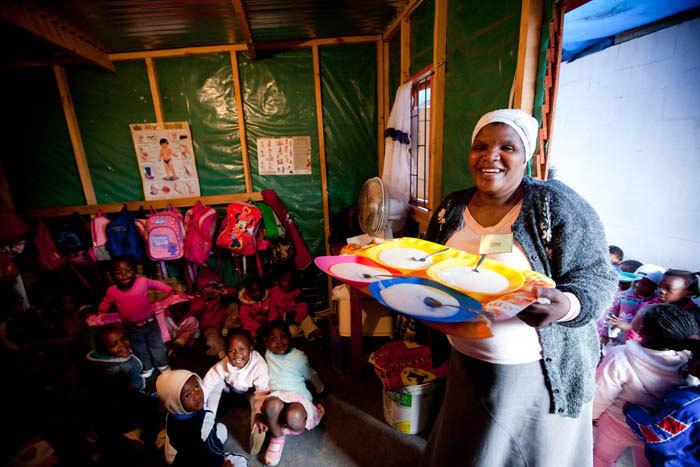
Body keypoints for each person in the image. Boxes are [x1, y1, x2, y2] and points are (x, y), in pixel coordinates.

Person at [420, 109, 618, 467]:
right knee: (470, 450)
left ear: (525, 156)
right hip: (466, 363)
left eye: (506, 147)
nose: (490, 156)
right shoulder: (451, 207)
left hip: (536, 374)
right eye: (480, 146)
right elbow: (427, 263)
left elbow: (599, 278)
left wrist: (564, 306)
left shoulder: (554, 205)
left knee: (529, 456)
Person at [592, 304, 697, 466]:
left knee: (602, 458)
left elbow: (602, 393)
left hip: (617, 423)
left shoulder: (620, 356)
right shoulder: (687, 361)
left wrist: (593, 416)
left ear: (641, 331)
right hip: (653, 429)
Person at [259, 321, 325, 466]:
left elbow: (311, 375)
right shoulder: (267, 354)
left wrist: (320, 389)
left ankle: (285, 424)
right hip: (277, 395)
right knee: (270, 405)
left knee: (294, 417)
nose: (279, 342)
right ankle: (277, 437)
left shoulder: (298, 356)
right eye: (273, 339)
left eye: (283, 337)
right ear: (266, 343)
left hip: (298, 398)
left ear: (290, 337)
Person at [98, 257, 172, 378]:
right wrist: (102, 310)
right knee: (139, 348)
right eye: (118, 272)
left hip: (150, 322)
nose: (124, 275)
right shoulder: (112, 291)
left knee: (157, 345)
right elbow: (106, 302)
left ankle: (162, 365)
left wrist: (169, 289)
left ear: (135, 271)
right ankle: (147, 367)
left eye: (128, 270)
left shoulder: (142, 282)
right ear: (112, 276)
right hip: (132, 327)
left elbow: (156, 284)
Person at [156, 369, 248, 467]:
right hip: (199, 460)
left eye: (196, 386)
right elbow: (201, 459)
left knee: (221, 428)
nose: (197, 396)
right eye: (187, 396)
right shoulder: (191, 436)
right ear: (175, 403)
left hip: (192, 448)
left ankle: (167, 446)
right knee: (242, 461)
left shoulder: (176, 413)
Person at [201, 329, 270, 455]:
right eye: (232, 351)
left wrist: (259, 414)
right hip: (231, 390)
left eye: (242, 349)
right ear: (226, 352)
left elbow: (262, 392)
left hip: (250, 393)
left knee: (260, 408)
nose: (237, 355)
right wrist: (201, 400)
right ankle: (208, 418)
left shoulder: (259, 365)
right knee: (215, 384)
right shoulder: (226, 362)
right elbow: (210, 379)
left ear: (251, 348)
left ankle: (256, 438)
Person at [623, 356, 700, 466]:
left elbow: (654, 435)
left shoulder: (689, 405)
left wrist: (631, 411)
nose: (689, 356)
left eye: (696, 355)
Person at [602, 268, 662, 345]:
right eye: (636, 281)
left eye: (644, 284)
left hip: (640, 343)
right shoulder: (622, 297)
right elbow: (610, 315)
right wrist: (604, 335)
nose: (637, 285)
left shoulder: (655, 304)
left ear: (654, 287)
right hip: (617, 340)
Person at [268, 267, 320, 341]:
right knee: (291, 333)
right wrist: (273, 324)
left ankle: (312, 332)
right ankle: (305, 330)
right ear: (278, 281)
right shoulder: (274, 292)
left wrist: (296, 318)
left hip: (298, 315)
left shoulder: (297, 291)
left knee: (306, 319)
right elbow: (273, 310)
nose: (287, 284)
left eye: (290, 281)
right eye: (284, 281)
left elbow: (303, 307)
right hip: (285, 320)